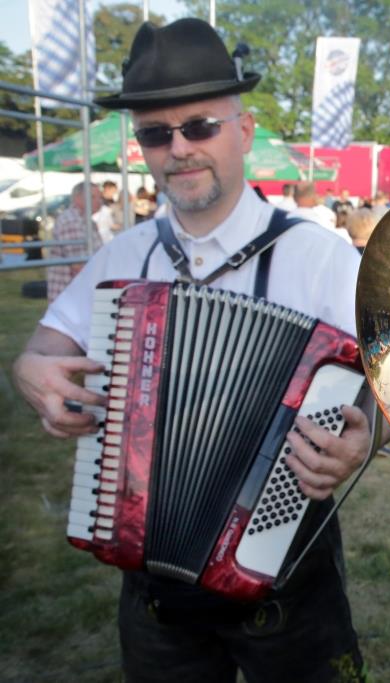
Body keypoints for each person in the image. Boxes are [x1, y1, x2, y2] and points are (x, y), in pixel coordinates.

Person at [12, 19, 369, 682]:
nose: (178, 149)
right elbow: (41, 348)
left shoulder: (320, 256)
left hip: (288, 578)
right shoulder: (125, 256)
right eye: (155, 133)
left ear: (245, 130)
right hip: (154, 589)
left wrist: (363, 436)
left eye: (199, 126)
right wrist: (32, 371)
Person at [46, 182, 104, 303]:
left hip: (76, 294)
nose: (99, 201)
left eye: (99, 197)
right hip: (70, 297)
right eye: (93, 197)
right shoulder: (72, 221)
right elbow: (79, 266)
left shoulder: (85, 221)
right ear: (77, 199)